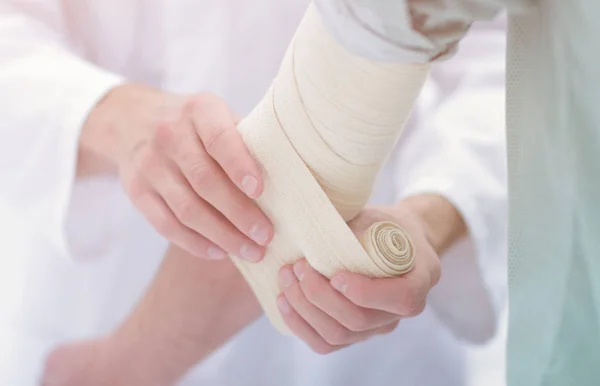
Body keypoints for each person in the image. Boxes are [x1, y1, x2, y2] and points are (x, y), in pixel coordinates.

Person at [0, 1, 506, 386]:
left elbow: (510, 57)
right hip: (94, 275)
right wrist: (110, 114)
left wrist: (428, 217)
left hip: (365, 289)